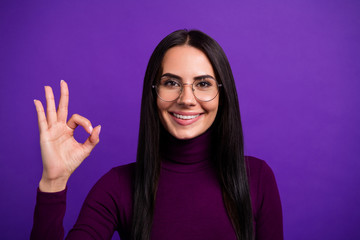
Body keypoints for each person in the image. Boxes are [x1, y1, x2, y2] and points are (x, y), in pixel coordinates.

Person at [31, 29, 283, 240]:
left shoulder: (257, 179)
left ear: (222, 93)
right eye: (171, 83)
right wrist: (53, 182)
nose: (186, 99)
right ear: (153, 92)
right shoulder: (117, 186)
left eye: (203, 83)